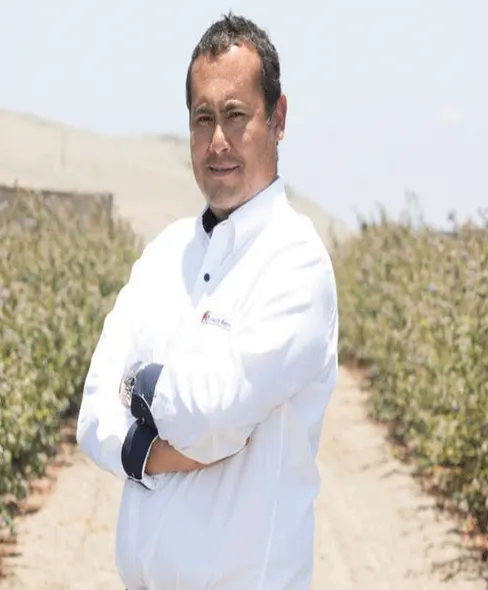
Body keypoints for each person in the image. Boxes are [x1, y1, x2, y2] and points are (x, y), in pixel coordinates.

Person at [75, 12, 339, 589]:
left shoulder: (295, 263)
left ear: (279, 117)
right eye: (203, 118)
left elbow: (213, 409)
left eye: (236, 115)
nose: (218, 141)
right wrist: (159, 444)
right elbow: (93, 414)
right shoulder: (166, 253)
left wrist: (138, 389)